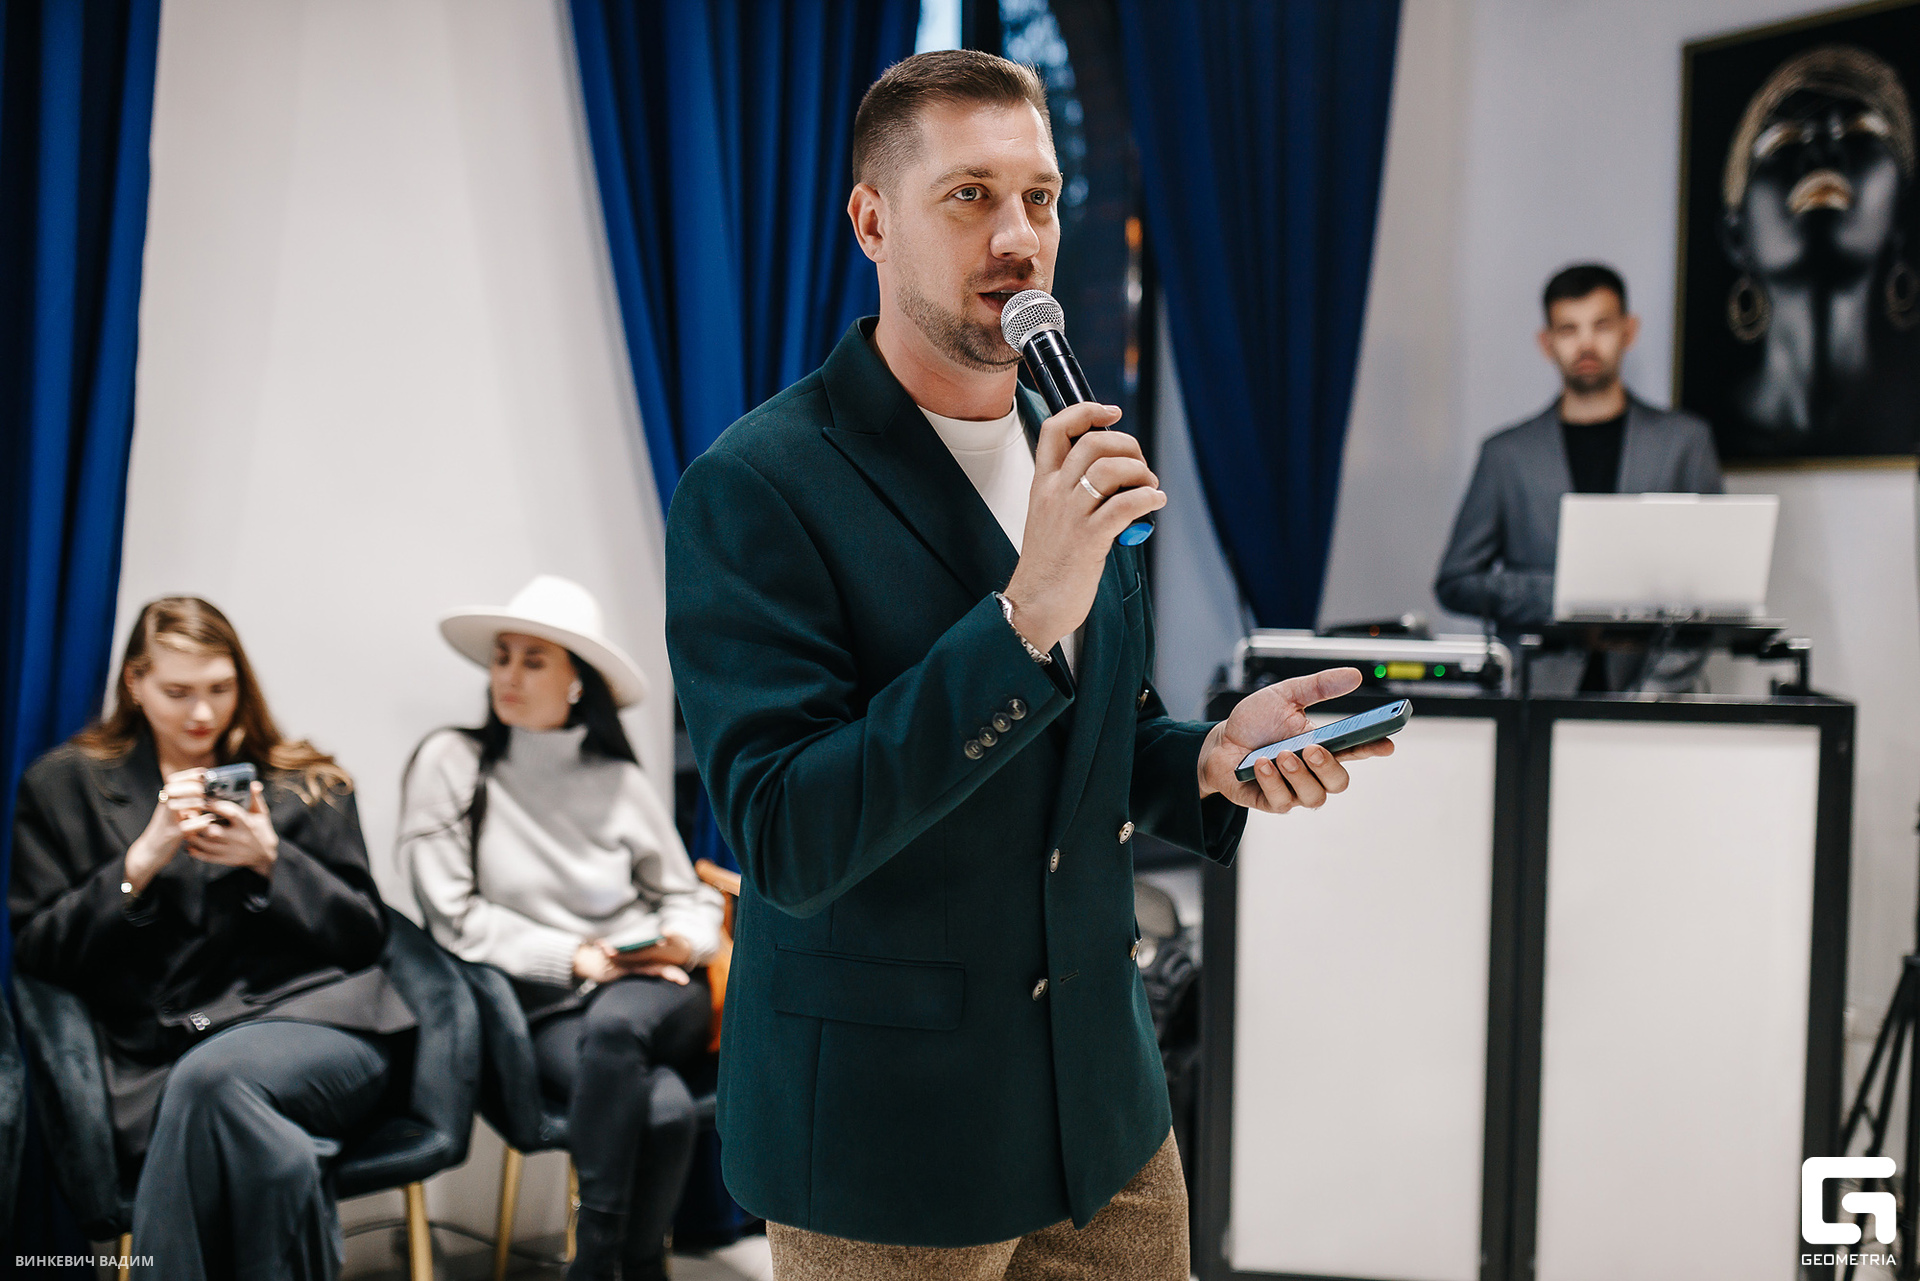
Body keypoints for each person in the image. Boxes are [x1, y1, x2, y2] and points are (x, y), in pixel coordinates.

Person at [665, 50, 1391, 1280]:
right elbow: (787, 835)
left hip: (1105, 1110)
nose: (1019, 236)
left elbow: (1095, 734)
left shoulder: (1074, 447)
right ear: (871, 221)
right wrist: (1022, 618)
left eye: (1040, 198)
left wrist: (1206, 758)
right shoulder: (756, 487)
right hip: (891, 1135)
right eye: (971, 195)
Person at [9, 597, 415, 1280]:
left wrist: (273, 863)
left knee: (210, 1079)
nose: (202, 713)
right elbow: (38, 951)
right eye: (178, 692)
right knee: (273, 1152)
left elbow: (365, 938)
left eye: (220, 689)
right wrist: (138, 864)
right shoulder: (64, 787)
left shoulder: (306, 783)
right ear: (135, 683)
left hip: (316, 1023)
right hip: (165, 1051)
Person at [402, 574, 724, 1281]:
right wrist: (577, 956)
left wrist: (677, 942)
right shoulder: (453, 763)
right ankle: (638, 1267)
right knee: (665, 1108)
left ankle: (594, 1257)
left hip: (653, 987)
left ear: (578, 681)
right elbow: (453, 916)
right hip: (550, 1003)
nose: (508, 675)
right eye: (502, 656)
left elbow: (688, 900)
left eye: (534, 660)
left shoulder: (618, 780)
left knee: (619, 1024)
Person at [1434, 263, 1724, 692]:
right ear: (1546, 342)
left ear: (1628, 330)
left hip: (1659, 694)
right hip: (1535, 694)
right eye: (1568, 329)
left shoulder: (1685, 443)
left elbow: (1714, 582)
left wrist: (1658, 692)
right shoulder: (1506, 455)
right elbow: (1456, 581)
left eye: (1601, 325)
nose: (1586, 343)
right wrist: (1565, 593)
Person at [1715, 45, 1918, 458]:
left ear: (1901, 217)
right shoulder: (1700, 437)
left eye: (1860, 133)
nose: (1823, 154)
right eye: (1783, 140)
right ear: (1736, 237)